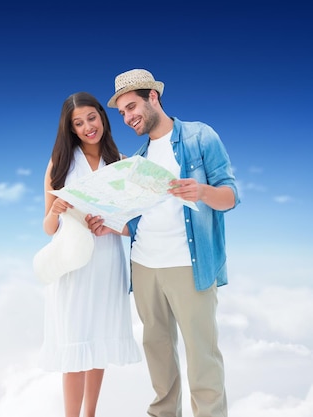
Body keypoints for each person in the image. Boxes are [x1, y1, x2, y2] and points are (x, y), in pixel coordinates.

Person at [87, 69, 240, 417]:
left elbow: (230, 197)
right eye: (122, 112)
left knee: (202, 355)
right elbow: (141, 218)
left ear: (152, 97)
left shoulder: (200, 137)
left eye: (131, 107)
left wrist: (201, 191)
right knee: (157, 353)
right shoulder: (137, 159)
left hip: (188, 265)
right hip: (143, 266)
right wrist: (112, 225)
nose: (127, 118)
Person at [39, 91, 142, 417]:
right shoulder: (60, 164)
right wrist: (55, 209)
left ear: (102, 116)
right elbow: (47, 228)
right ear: (70, 128)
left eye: (91, 118)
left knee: (99, 340)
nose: (87, 127)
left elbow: (132, 222)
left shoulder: (121, 163)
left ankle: (90, 413)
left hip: (107, 260)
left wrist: (111, 226)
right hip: (73, 263)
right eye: (78, 123)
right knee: (75, 342)